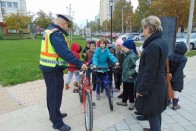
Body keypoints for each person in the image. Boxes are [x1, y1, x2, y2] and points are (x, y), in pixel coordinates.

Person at [39, 14, 87, 131]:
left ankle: (54, 114)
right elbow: (65, 53)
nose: (67, 29)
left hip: (49, 67)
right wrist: (80, 64)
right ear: (63, 24)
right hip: (53, 69)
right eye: (67, 26)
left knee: (52, 93)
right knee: (55, 95)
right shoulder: (55, 34)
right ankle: (57, 122)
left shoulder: (49, 30)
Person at [135, 15, 168, 131]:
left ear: (149, 28)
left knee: (153, 113)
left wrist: (141, 90)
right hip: (158, 84)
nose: (142, 31)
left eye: (143, 28)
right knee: (156, 111)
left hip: (153, 87)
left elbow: (150, 72)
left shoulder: (153, 46)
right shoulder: (161, 41)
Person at [116, 40, 138, 110]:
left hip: (130, 78)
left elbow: (136, 66)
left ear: (129, 48)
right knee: (125, 90)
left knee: (130, 91)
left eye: (124, 47)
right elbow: (126, 65)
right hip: (125, 77)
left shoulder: (132, 56)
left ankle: (132, 102)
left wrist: (130, 73)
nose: (122, 49)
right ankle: (124, 101)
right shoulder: (127, 55)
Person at [169, 41, 187, 110]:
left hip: (169, 76)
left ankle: (168, 101)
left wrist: (171, 76)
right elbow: (179, 70)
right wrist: (174, 78)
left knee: (169, 88)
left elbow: (168, 66)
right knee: (175, 91)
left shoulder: (170, 55)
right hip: (177, 77)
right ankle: (175, 105)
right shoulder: (184, 58)